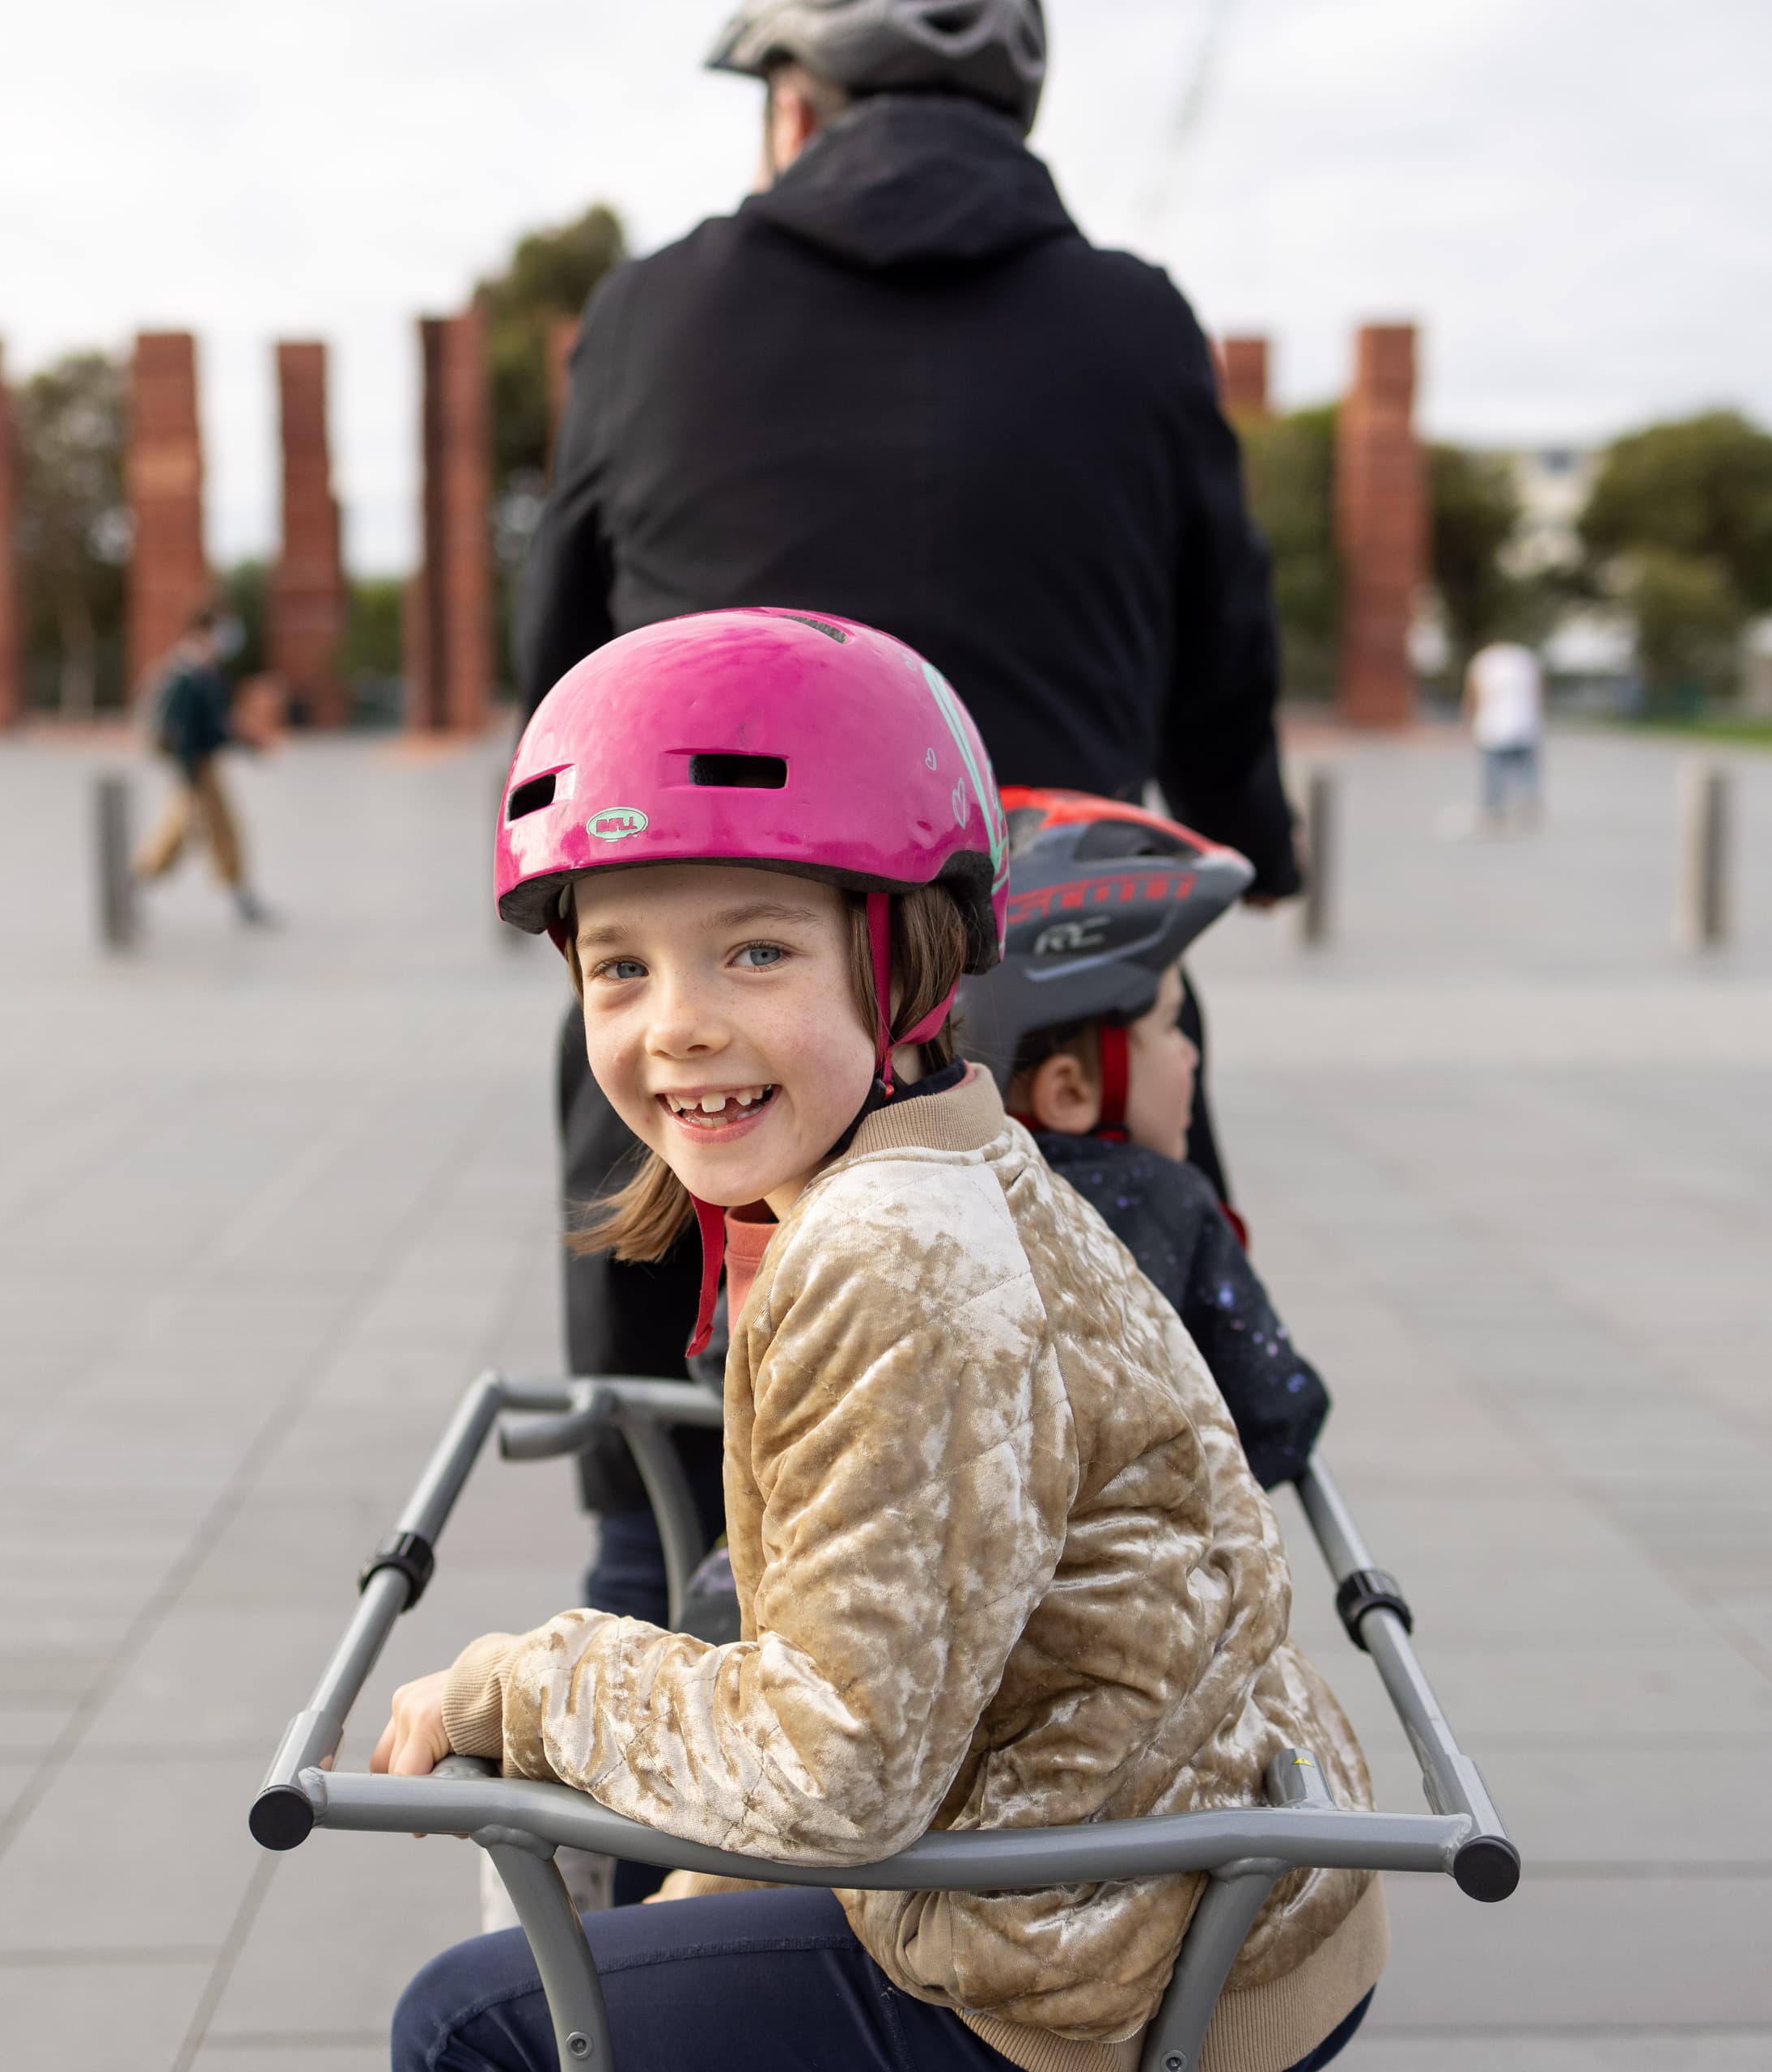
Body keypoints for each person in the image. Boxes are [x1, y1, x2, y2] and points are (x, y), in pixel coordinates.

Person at [376, 608, 1384, 2072]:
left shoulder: (890, 1256)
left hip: (1091, 1968)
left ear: (907, 961)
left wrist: (516, 1685)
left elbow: (834, 1771)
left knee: (468, 2023)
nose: (677, 1026)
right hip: (1146, 1871)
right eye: (621, 968)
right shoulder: (947, 1157)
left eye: (757, 950)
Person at [519, 0, 1302, 1625]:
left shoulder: (654, 308)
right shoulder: (1139, 321)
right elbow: (1225, 636)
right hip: (1066, 957)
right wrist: (1256, 833)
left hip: (737, 945)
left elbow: (572, 664)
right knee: (1137, 1479)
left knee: (673, 1482)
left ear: (796, 111)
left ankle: (651, 1598)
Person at [957, 790, 1330, 1491]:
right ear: (1070, 1091)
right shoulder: (1169, 1201)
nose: (1190, 1054)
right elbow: (1275, 1415)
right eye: (1168, 1027)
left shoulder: (924, 1193)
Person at [134, 607, 277, 926]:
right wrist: (189, 772)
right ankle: (133, 886)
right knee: (185, 831)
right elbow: (188, 728)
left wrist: (246, 743)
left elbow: (215, 724)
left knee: (206, 830)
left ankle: (240, 896)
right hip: (195, 766)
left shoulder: (201, 670)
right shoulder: (190, 673)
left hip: (201, 765)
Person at [1463, 638, 1545, 832]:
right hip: (1524, 724)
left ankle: (1494, 811)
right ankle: (1527, 803)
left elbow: (1475, 694)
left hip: (1493, 726)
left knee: (1493, 772)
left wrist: (1468, 719)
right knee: (1526, 770)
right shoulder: (1525, 659)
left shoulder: (1484, 661)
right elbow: (1538, 691)